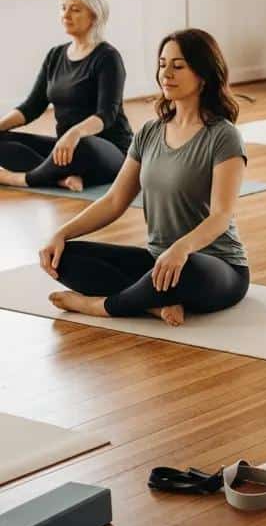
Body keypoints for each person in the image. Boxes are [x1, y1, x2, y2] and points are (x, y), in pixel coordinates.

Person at [39, 29, 249, 327]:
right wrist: (61, 233)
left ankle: (104, 306)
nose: (167, 73)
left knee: (186, 272)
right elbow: (113, 201)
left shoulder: (224, 136)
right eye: (163, 64)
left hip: (215, 265)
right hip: (158, 261)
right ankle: (152, 303)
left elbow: (221, 214)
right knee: (65, 257)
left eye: (178, 66)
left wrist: (182, 248)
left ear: (203, 74)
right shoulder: (150, 132)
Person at [0, 0, 132, 192]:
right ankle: (60, 178)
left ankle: (22, 179)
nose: (66, 14)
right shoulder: (55, 55)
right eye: (63, 8)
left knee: (83, 145)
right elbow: (32, 106)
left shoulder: (108, 58)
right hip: (66, 147)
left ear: (94, 16)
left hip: (107, 149)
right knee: (3, 139)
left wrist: (75, 133)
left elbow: (107, 115)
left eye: (75, 9)